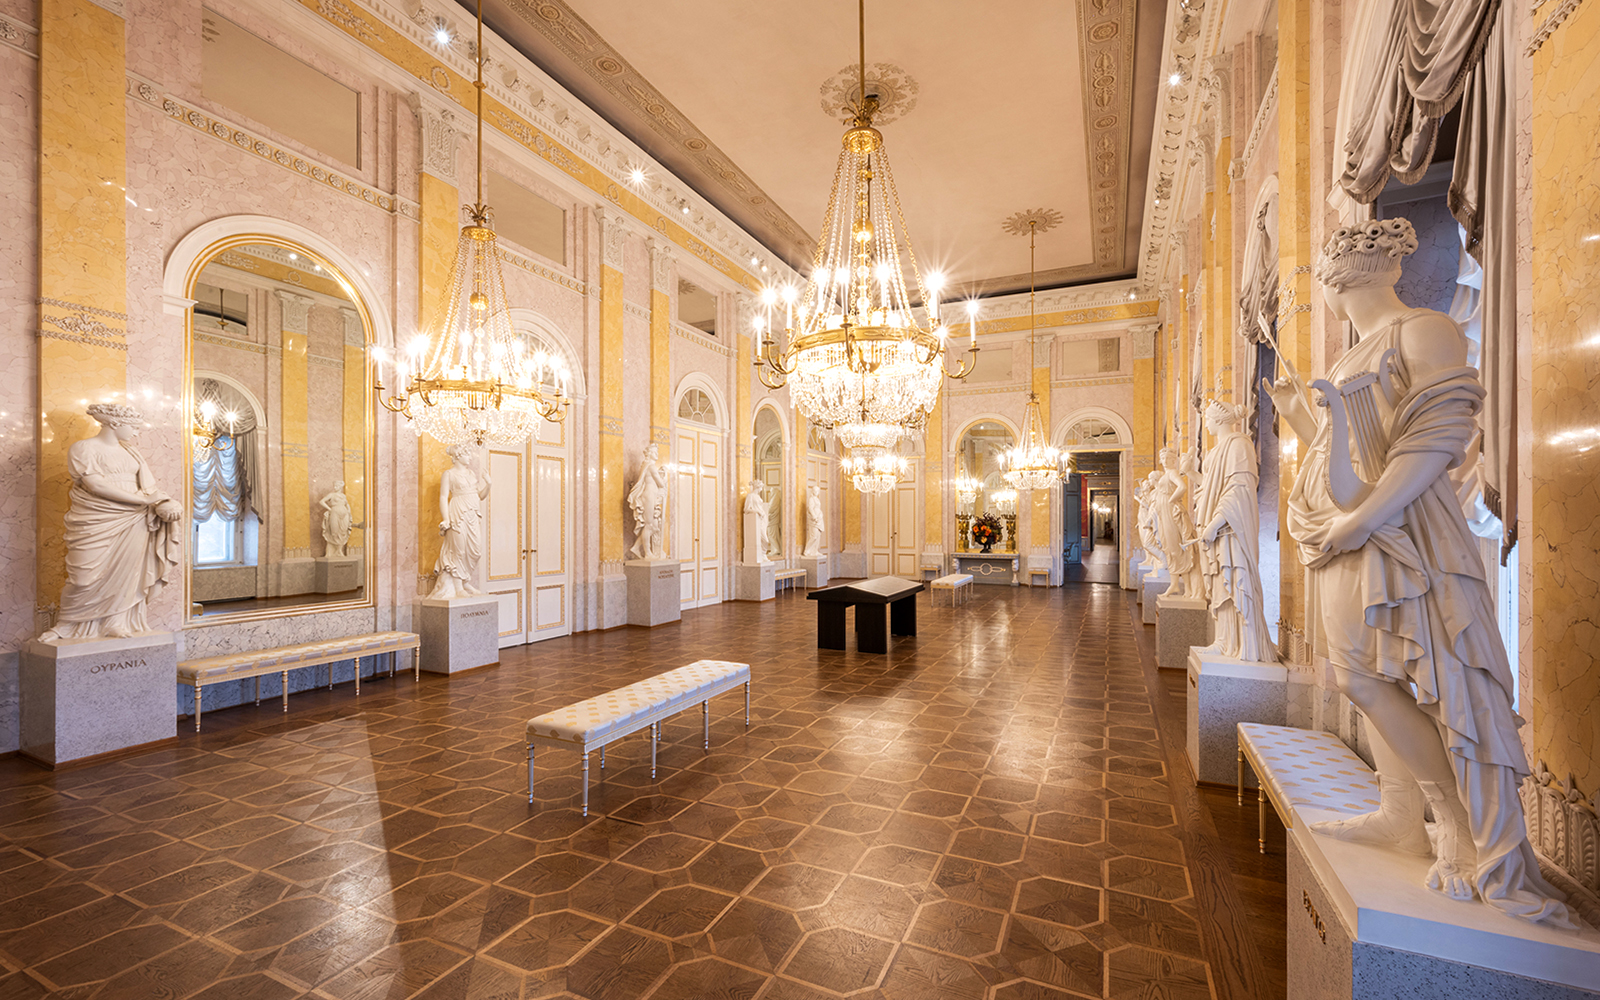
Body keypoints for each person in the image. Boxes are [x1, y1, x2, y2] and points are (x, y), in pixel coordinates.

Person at [1263, 217, 1571, 925]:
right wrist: (1300, 424)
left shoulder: (1423, 330)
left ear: (1344, 283)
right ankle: (1400, 813)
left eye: (1326, 282)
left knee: (1402, 677)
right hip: (1340, 534)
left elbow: (1436, 439)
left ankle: (1460, 830)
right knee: (1363, 677)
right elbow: (1337, 454)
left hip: (1400, 532)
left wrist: (1365, 518)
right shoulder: (1346, 359)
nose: (1328, 296)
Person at [41, 404, 183, 640]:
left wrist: (162, 501)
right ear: (115, 424)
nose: (136, 433)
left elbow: (148, 487)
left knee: (129, 572)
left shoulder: (131, 452)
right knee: (83, 575)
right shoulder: (84, 448)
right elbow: (96, 485)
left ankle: (116, 622)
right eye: (133, 427)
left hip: (134, 520)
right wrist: (145, 500)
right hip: (96, 518)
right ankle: (67, 624)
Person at [1193, 400, 1277, 662]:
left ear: (1218, 420)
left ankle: (1246, 645)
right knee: (1221, 583)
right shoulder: (1216, 451)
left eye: (1207, 418)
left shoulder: (1239, 444)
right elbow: (1208, 489)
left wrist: (1215, 523)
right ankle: (1224, 640)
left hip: (1231, 528)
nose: (1205, 423)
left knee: (1235, 580)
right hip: (1215, 528)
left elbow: (1239, 489)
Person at [428, 444, 490, 600]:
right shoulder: (449, 474)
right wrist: (447, 519)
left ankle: (465, 580)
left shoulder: (471, 474)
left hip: (473, 513)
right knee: (459, 550)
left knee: (475, 550)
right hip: (457, 512)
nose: (470, 457)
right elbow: (443, 497)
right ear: (458, 457)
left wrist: (488, 484)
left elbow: (480, 496)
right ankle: (458, 586)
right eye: (467, 454)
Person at [1154, 447, 1201, 597]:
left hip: (1170, 513)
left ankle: (1183, 586)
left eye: (1169, 458)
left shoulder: (1172, 473)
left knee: (1176, 549)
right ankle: (1177, 585)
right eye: (1163, 458)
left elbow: (1183, 487)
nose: (1166, 461)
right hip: (1164, 513)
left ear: (1174, 460)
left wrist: (1171, 500)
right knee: (1170, 548)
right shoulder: (1166, 474)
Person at [626, 443, 668, 560]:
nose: (657, 454)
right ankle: (648, 553)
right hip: (648, 496)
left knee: (654, 526)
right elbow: (660, 483)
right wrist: (665, 475)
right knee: (649, 524)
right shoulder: (651, 466)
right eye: (655, 452)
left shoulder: (649, 466)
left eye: (657, 452)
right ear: (650, 454)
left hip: (652, 497)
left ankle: (636, 548)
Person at [319, 482, 354, 558]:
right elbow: (321, 501)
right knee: (334, 532)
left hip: (345, 515)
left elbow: (347, 504)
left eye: (337, 486)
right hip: (335, 513)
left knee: (343, 532)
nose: (335, 487)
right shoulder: (331, 495)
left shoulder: (343, 496)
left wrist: (348, 511)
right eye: (334, 486)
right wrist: (330, 509)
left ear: (340, 487)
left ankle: (339, 551)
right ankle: (330, 552)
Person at [803, 483, 824, 558]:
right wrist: (814, 516)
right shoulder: (811, 499)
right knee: (813, 536)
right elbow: (810, 508)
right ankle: (807, 550)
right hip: (814, 520)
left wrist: (819, 515)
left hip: (819, 519)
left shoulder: (817, 499)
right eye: (815, 490)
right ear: (813, 491)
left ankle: (815, 550)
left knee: (818, 536)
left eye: (817, 490)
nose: (816, 492)